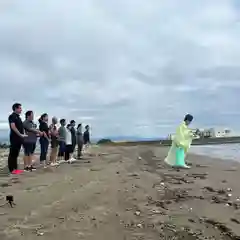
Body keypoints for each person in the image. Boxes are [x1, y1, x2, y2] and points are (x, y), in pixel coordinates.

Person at [8, 103, 26, 174]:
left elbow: (21, 127)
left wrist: (22, 135)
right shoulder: (12, 116)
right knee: (12, 154)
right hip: (14, 138)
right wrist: (20, 134)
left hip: (19, 139)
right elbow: (13, 126)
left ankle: (15, 169)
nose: (21, 110)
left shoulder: (18, 117)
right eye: (20, 108)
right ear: (15, 108)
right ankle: (12, 170)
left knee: (16, 154)